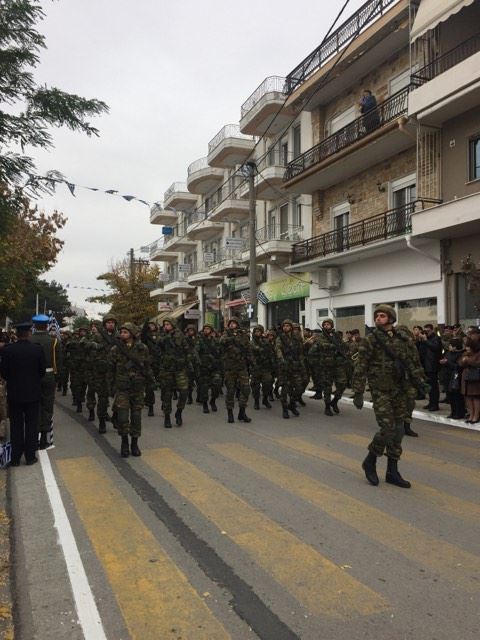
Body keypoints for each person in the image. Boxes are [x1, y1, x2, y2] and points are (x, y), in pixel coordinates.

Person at [352, 305, 428, 489]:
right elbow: (361, 366)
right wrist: (358, 391)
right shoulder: (371, 340)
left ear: (391, 319)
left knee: (400, 430)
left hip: (400, 389)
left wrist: (422, 383)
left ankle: (392, 471)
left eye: (382, 315)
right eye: (376, 315)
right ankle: (370, 460)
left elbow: (413, 363)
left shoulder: (403, 339)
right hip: (381, 389)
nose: (378, 318)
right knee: (388, 428)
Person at [0, 322, 46, 465]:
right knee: (32, 425)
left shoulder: (8, 350)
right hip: (32, 393)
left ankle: (15, 458)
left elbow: (4, 372)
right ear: (29, 333)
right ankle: (30, 456)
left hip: (15, 393)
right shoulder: (37, 350)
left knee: (16, 425)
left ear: (17, 334)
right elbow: (42, 371)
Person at [109, 322, 152, 457]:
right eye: (121, 332)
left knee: (136, 417)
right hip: (122, 388)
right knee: (122, 417)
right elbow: (110, 369)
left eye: (125, 332)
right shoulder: (116, 349)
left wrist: (150, 381)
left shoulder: (142, 348)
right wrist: (111, 386)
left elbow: (147, 366)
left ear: (132, 333)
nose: (122, 334)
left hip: (137, 388)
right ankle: (124, 442)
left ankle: (134, 443)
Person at [31, 313, 62, 449]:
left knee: (35, 405)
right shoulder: (54, 341)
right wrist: (58, 378)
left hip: (32, 377)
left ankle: (34, 436)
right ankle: (44, 438)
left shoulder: (29, 340)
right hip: (49, 376)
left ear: (34, 325)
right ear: (47, 326)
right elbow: (59, 362)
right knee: (47, 406)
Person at [157, 317, 190, 428]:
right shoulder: (162, 335)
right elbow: (157, 346)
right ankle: (167, 417)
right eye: (165, 324)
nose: (166, 326)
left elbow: (187, 350)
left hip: (180, 368)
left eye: (168, 324)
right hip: (167, 369)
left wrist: (188, 362)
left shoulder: (180, 336)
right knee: (167, 394)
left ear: (173, 325)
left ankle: (179, 412)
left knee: (184, 392)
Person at [314, 318, 349, 416]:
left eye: (328, 324)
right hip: (326, 365)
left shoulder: (336, 335)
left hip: (338, 364)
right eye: (324, 324)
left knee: (342, 383)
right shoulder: (320, 336)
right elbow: (322, 345)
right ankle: (327, 406)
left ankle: (334, 401)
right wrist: (333, 346)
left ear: (332, 325)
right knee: (327, 387)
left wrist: (344, 347)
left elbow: (342, 345)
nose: (326, 326)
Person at [220, 318, 252, 423]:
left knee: (246, 389)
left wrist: (250, 361)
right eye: (231, 324)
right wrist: (232, 337)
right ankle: (230, 413)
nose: (232, 325)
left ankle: (242, 412)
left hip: (241, 366)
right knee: (230, 391)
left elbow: (248, 348)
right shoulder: (226, 334)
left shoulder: (243, 335)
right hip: (230, 367)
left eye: (234, 323)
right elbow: (222, 342)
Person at [275, 319, 304, 419]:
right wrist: (282, 360)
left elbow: (300, 352)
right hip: (285, 366)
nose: (286, 327)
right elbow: (278, 349)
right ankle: (285, 409)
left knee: (299, 387)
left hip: (295, 366)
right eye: (284, 326)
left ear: (291, 327)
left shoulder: (296, 338)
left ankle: (292, 404)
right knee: (285, 389)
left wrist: (301, 363)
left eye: (288, 326)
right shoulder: (280, 338)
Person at [195, 323, 222, 413]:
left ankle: (213, 401)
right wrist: (200, 363)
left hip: (214, 367)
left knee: (217, 386)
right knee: (204, 388)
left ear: (211, 331)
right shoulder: (200, 341)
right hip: (204, 367)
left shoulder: (215, 341)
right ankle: (205, 404)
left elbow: (220, 352)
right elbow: (196, 353)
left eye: (208, 329)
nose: (206, 330)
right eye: (205, 329)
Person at [250, 325, 274, 410]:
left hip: (265, 367)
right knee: (255, 387)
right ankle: (256, 401)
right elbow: (254, 350)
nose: (257, 333)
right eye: (256, 331)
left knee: (268, 383)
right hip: (256, 367)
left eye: (259, 331)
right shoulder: (252, 342)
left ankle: (265, 399)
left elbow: (270, 352)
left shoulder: (265, 341)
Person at [440, 337, 466, 420]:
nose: (449, 347)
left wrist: (447, 362)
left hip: (455, 377)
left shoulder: (461, 354)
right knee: (450, 395)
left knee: (457, 396)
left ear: (455, 346)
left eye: (451, 345)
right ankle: (453, 412)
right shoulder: (448, 353)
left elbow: (458, 366)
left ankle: (459, 413)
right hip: (447, 376)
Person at [419, 324, 443, 411]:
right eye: (425, 331)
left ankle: (435, 404)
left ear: (432, 330)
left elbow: (435, 348)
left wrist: (425, 340)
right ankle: (431, 402)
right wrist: (422, 340)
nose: (426, 333)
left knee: (434, 386)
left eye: (428, 331)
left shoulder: (436, 338)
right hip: (425, 365)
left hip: (433, 365)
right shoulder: (425, 340)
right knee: (428, 386)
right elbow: (421, 351)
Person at [459, 333, 480, 424]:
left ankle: (476, 416)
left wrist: (468, 360)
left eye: (468, 346)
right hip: (466, 377)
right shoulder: (465, 353)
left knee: (475, 397)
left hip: (474, 378)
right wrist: (464, 360)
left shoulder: (478, 353)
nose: (467, 348)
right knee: (467, 397)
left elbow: (477, 363)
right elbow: (460, 363)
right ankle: (471, 415)